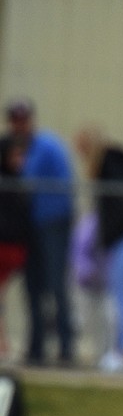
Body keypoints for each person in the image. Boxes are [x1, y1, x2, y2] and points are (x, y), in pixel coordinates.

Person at [75, 127, 123, 372]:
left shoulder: (110, 162)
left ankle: (122, 352)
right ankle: (120, 349)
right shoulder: (114, 163)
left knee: (121, 297)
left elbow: (119, 205)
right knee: (119, 295)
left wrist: (108, 237)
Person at [4, 100, 75, 366]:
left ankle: (66, 348)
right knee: (32, 287)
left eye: (22, 120)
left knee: (56, 286)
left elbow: (26, 178)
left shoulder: (45, 146)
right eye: (14, 120)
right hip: (30, 227)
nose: (18, 125)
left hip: (53, 223)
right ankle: (36, 349)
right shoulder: (20, 146)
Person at [0, 138, 30, 361]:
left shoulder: (18, 182)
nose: (19, 160)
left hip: (11, 250)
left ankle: (4, 345)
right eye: (15, 156)